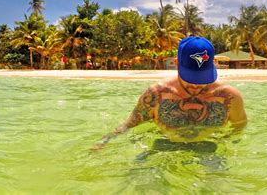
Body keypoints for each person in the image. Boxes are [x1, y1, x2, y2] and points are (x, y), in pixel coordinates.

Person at [92, 36, 247, 150]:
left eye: (201, 77)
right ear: (176, 63)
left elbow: (239, 126)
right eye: (190, 77)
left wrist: (225, 143)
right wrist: (105, 140)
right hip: (164, 146)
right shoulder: (156, 94)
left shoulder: (230, 97)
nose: (195, 84)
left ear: (213, 64)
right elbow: (130, 124)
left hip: (209, 147)